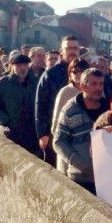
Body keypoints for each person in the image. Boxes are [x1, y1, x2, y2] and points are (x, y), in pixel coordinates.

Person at [53, 68, 110, 194]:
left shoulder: (109, 108)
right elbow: (58, 141)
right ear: (83, 86)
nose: (99, 88)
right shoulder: (70, 110)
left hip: (107, 177)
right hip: (80, 179)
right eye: (94, 84)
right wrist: (80, 163)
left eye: (101, 84)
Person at [35, 35, 80, 164]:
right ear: (61, 51)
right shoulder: (50, 74)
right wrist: (42, 134)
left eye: (75, 48)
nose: (72, 51)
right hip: (54, 132)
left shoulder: (86, 72)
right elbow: (40, 105)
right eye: (69, 48)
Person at [0, 53, 38, 154]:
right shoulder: (2, 84)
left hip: (32, 135)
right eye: (19, 66)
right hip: (11, 134)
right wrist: (6, 121)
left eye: (25, 65)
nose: (22, 68)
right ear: (11, 66)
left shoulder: (36, 83)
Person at [51, 59, 90, 136]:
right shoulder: (65, 92)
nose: (78, 74)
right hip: (70, 137)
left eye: (82, 71)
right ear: (70, 75)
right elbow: (56, 120)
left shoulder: (95, 89)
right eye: (75, 71)